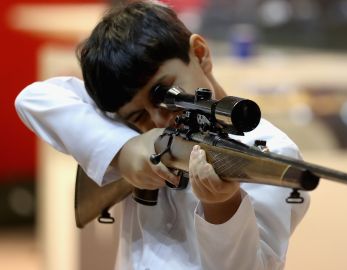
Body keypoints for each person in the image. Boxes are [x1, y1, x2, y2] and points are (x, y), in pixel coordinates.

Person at [15, 1, 310, 269]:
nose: (158, 118)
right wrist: (125, 149)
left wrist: (223, 206)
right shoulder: (134, 132)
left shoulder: (271, 150)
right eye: (138, 115)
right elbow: (33, 99)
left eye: (165, 93)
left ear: (200, 54)